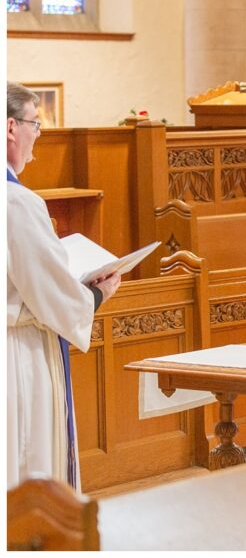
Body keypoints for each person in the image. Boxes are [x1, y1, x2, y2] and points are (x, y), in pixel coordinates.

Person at [7, 82, 121, 490]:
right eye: (35, 124)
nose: (38, 134)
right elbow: (51, 294)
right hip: (17, 357)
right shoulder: (16, 203)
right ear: (9, 128)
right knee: (25, 466)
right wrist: (96, 292)